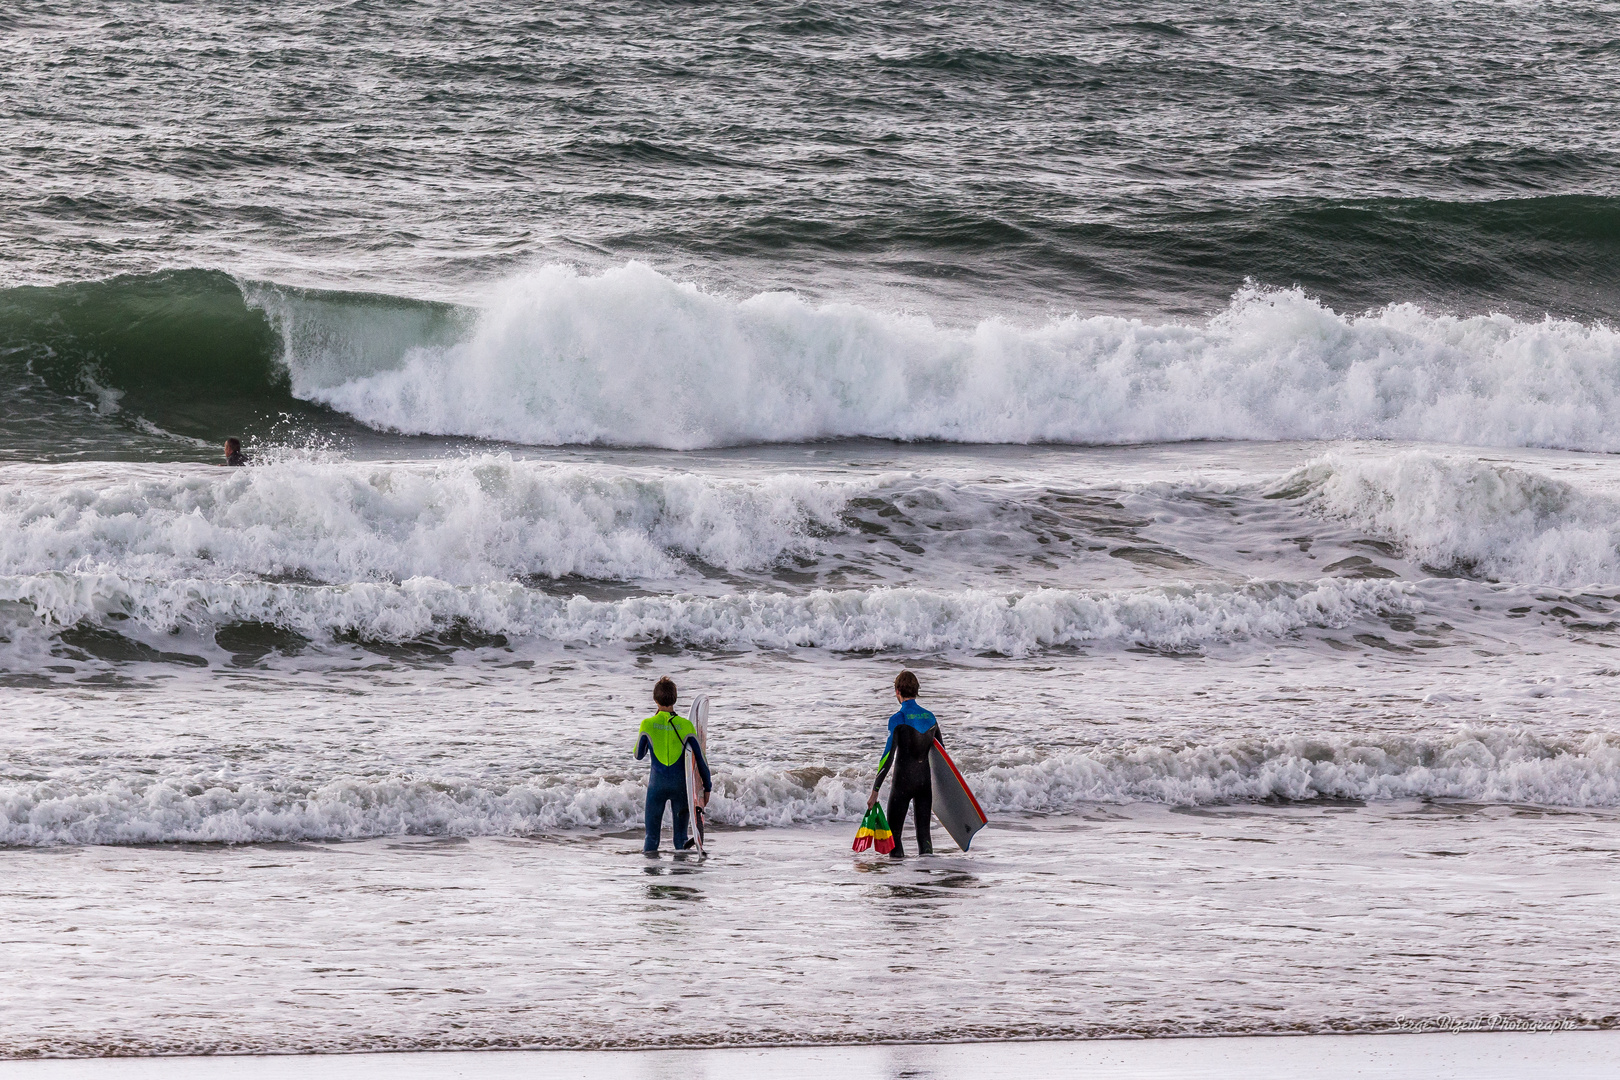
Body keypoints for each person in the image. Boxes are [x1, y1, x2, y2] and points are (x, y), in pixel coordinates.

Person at [867, 669, 943, 857]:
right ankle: (926, 879)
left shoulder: (897, 719)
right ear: (916, 691)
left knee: (895, 836)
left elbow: (888, 757)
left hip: (903, 784)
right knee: (924, 834)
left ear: (897, 692)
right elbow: (941, 755)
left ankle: (899, 883)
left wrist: (875, 791)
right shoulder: (931, 717)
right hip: (925, 784)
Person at [635, 677, 711, 853]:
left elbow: (638, 755)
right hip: (681, 788)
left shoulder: (647, 724)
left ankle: (651, 877)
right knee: (681, 838)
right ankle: (681, 877)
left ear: (655, 700)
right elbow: (701, 760)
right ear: (675, 699)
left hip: (656, 787)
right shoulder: (686, 726)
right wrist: (707, 789)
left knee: (651, 838)